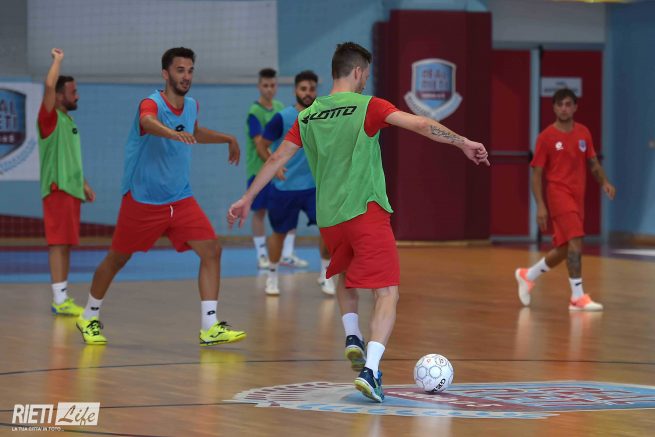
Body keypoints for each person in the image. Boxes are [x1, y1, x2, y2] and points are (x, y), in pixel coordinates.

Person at [228, 42, 489, 402]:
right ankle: (371, 371)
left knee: (344, 275)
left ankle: (352, 335)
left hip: (330, 218)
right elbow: (420, 123)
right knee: (387, 293)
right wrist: (462, 142)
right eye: (365, 73)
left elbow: (275, 159)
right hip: (365, 212)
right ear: (357, 71)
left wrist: (246, 198)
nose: (366, 79)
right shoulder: (368, 106)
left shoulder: (308, 116)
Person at [75, 47, 246, 346]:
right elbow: (147, 121)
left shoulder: (191, 105)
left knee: (211, 250)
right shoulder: (151, 103)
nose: (186, 76)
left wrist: (227, 139)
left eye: (190, 70)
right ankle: (88, 315)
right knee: (117, 259)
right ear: (166, 74)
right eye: (180, 70)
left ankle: (210, 326)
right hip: (143, 200)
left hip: (180, 199)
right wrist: (171, 132)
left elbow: (194, 131)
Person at [515, 88, 615, 312]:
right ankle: (577, 297)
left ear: (575, 107)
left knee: (564, 248)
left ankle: (527, 275)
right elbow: (536, 174)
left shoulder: (583, 133)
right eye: (560, 104)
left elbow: (593, 163)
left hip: (577, 196)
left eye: (568, 104)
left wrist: (605, 182)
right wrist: (540, 205)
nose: (564, 108)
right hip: (558, 195)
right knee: (576, 240)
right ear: (554, 108)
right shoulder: (546, 137)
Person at [256, 70, 335, 296]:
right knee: (279, 234)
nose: (308, 93)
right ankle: (272, 277)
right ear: (295, 91)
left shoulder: (323, 115)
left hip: (314, 187)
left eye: (312, 89)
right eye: (303, 89)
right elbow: (262, 145)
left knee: (329, 230)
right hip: (285, 188)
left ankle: (326, 275)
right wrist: (275, 166)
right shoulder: (282, 117)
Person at [38, 48, 96, 316]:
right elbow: (49, 84)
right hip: (57, 189)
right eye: (73, 92)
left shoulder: (68, 121)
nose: (77, 95)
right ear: (60, 96)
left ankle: (62, 296)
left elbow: (70, 159)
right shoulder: (49, 119)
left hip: (72, 190)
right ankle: (59, 299)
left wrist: (83, 184)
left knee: (66, 244)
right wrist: (57, 61)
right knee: (58, 243)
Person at [245, 68, 307, 269]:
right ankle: (262, 254)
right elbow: (259, 144)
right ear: (259, 87)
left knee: (289, 210)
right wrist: (274, 166)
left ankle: (287, 254)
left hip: (282, 173)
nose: (269, 89)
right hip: (260, 171)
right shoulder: (254, 112)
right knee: (259, 211)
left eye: (272, 85)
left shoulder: (281, 108)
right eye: (265, 85)